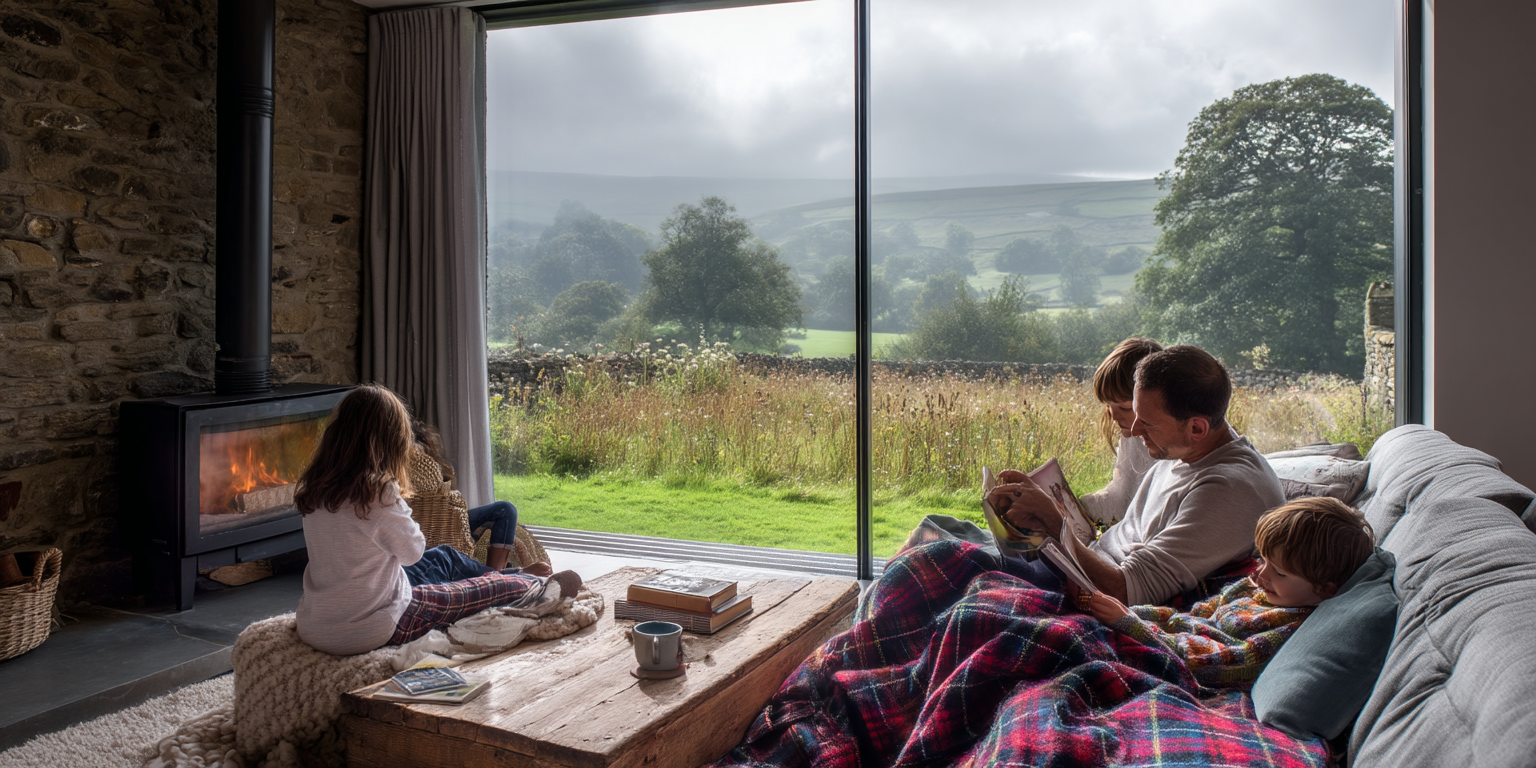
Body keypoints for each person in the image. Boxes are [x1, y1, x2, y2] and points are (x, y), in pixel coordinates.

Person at [293, 383, 581, 656]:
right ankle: (534, 586)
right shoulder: (379, 492)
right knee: (474, 593)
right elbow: (412, 552)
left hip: (316, 627)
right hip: (375, 626)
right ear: (389, 443)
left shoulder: (314, 491)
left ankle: (513, 576)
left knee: (442, 557)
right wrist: (398, 503)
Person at [991, 345, 1285, 606]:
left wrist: (1056, 524)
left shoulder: (1229, 492)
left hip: (1099, 597)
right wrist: (1043, 518)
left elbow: (1125, 590)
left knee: (964, 575)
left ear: (1197, 428)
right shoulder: (1183, 452)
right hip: (1085, 566)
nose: (1134, 431)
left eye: (1147, 423)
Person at [1087, 496, 1374, 687]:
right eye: (1264, 560)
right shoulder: (1263, 588)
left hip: (1168, 652)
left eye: (1280, 572)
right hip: (1158, 631)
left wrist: (1132, 625)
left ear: (1325, 589)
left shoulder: (1290, 629)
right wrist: (1135, 612)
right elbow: (1194, 614)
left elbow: (1211, 665)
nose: (1261, 574)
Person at [406, 420, 551, 576]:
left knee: (505, 510)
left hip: (445, 519)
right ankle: (500, 577)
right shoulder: (387, 473)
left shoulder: (431, 466)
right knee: (443, 555)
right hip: (412, 523)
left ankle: (495, 574)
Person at [1077, 337, 1163, 526]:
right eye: (1108, 406)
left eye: (1124, 408)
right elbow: (1121, 491)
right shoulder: (1131, 439)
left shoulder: (1171, 447)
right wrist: (1075, 506)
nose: (1114, 417)